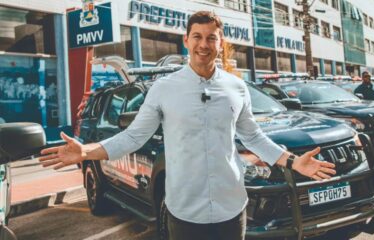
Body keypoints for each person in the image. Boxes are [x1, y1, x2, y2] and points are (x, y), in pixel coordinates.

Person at [39, 11, 336, 240]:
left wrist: (295, 162)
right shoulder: (164, 88)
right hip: (184, 214)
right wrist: (85, 152)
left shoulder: (236, 87)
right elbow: (133, 137)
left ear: (221, 43)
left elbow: (254, 136)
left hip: (231, 210)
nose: (203, 44)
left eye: (211, 38)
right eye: (197, 37)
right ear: (186, 40)